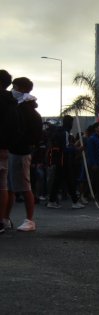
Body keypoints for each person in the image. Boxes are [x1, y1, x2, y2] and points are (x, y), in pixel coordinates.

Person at [5, 77, 42, 231]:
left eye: (15, 87)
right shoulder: (26, 109)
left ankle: (29, 220)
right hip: (17, 151)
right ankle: (5, 218)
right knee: (10, 188)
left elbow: (30, 135)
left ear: (22, 89)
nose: (12, 89)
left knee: (24, 186)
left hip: (20, 152)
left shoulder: (25, 111)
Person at [46, 115, 85, 209]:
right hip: (64, 160)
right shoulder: (65, 133)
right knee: (68, 181)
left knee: (58, 181)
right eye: (72, 122)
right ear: (69, 123)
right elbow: (66, 148)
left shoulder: (59, 132)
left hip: (59, 160)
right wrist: (77, 149)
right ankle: (74, 202)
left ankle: (52, 201)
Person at [0, 70, 20, 233]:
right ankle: (3, 219)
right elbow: (14, 127)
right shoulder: (12, 102)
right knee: (4, 186)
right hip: (7, 149)